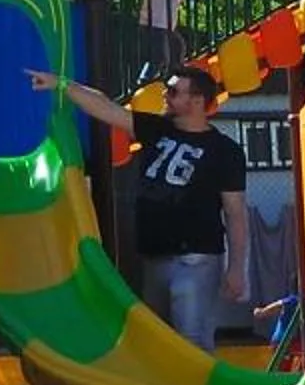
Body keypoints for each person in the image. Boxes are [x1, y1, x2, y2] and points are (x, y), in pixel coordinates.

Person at [32, 64, 248, 349]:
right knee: (157, 340)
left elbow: (235, 213)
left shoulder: (225, 151)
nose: (165, 96)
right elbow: (106, 108)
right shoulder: (157, 129)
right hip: (154, 256)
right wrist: (61, 84)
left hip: (196, 259)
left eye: (172, 91)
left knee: (192, 340)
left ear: (196, 101)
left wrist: (236, 268)